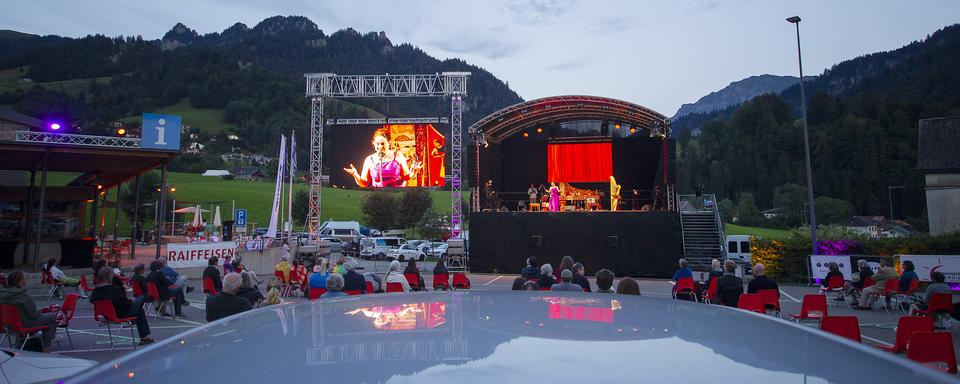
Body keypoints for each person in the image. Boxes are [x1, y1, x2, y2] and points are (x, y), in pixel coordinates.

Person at [90, 267, 154, 345]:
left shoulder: (96, 290)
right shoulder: (114, 289)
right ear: (110, 276)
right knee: (142, 298)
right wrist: (131, 302)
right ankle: (144, 337)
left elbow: (92, 301)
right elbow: (124, 303)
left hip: (107, 315)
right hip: (121, 314)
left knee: (139, 310)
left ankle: (143, 335)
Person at [0, 271, 59, 351]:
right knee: (52, 317)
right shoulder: (23, 295)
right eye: (25, 279)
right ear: (21, 282)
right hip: (25, 324)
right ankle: (46, 346)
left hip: (8, 325)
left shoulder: (2, 294)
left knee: (49, 322)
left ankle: (48, 340)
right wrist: (40, 311)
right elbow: (34, 315)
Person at [343, 127, 419, 188]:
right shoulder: (369, 160)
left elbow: (406, 177)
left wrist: (414, 172)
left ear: (389, 143)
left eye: (382, 143)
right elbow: (364, 183)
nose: (380, 147)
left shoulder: (398, 156)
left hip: (396, 194)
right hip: (377, 196)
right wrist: (355, 174)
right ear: (374, 144)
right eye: (377, 144)